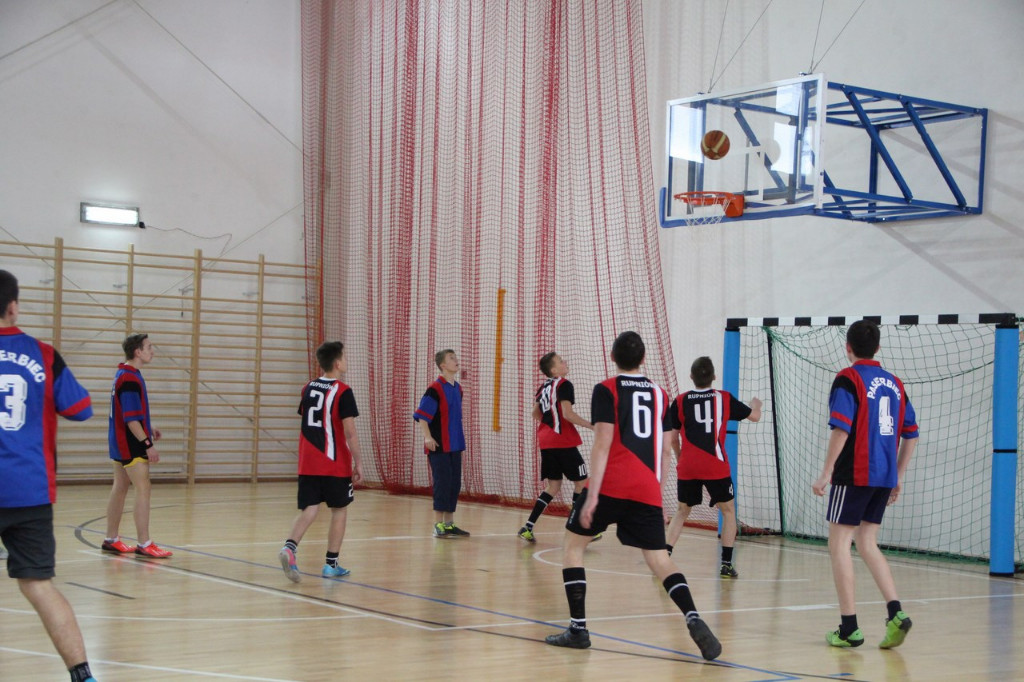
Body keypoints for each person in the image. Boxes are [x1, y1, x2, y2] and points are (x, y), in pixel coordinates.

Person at [545, 331, 721, 661]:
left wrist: (592, 497)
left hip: (610, 484)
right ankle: (693, 617)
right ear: (643, 359)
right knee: (660, 560)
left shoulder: (606, 389)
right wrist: (658, 494)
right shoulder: (660, 393)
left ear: (613, 357)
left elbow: (602, 443)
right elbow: (666, 450)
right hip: (646, 488)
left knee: (573, 546)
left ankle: (578, 630)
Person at [0, 270, 99, 682]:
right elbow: (81, 409)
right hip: (30, 490)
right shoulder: (43, 354)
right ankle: (83, 675)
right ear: (13, 306)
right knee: (39, 585)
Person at [812, 320, 919, 649]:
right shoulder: (895, 383)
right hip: (884, 475)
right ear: (878, 348)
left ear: (848, 348)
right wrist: (898, 475)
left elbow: (841, 428)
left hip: (855, 473)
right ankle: (896, 612)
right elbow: (911, 433)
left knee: (839, 544)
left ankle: (849, 628)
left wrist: (826, 472)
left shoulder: (848, 378)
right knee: (867, 542)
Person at [664, 356, 761, 578]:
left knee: (681, 511)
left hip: (688, 465)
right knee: (728, 511)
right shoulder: (723, 398)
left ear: (691, 376)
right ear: (714, 377)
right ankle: (726, 564)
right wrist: (756, 404)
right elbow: (755, 416)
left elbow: (673, 438)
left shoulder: (680, 401)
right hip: (715, 465)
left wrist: (680, 458)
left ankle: (664, 557)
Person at [278, 341, 364, 581]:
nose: (346, 361)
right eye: (344, 357)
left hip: (308, 461)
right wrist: (358, 462)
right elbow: (350, 432)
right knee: (339, 509)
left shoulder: (307, 387)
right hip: (334, 462)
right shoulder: (343, 391)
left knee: (310, 508)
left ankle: (289, 547)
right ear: (337, 363)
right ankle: (331, 564)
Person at [103, 333, 172, 558]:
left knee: (120, 487)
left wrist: (148, 426)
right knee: (143, 488)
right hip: (131, 444)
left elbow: (129, 411)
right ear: (137, 352)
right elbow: (131, 419)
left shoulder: (124, 374)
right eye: (149, 347)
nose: (152, 351)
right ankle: (145, 543)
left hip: (119, 441)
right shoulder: (130, 378)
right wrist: (147, 444)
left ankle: (111, 539)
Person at [518, 352, 594, 542]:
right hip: (563, 442)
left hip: (546, 441)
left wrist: (550, 425)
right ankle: (577, 529)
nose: (564, 362)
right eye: (560, 361)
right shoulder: (564, 384)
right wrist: (592, 426)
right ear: (553, 370)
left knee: (553, 486)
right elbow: (568, 414)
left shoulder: (544, 386)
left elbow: (535, 413)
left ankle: (528, 527)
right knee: (582, 483)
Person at [414, 349, 469, 538]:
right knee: (442, 483)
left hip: (456, 444)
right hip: (439, 445)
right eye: (451, 358)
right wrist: (427, 437)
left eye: (456, 357)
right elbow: (422, 416)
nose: (456, 360)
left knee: (454, 484)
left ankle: (449, 523)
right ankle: (438, 524)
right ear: (443, 365)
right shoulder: (434, 389)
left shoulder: (458, 388)